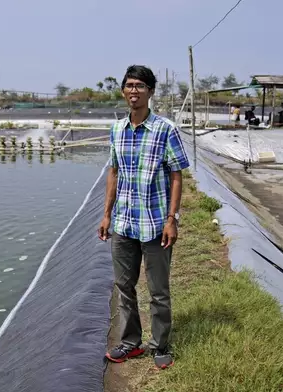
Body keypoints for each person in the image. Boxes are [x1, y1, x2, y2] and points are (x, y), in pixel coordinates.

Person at [99, 65, 190, 370]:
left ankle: (161, 344)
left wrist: (171, 219)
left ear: (151, 91)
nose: (133, 91)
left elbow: (177, 176)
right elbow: (114, 173)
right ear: (123, 91)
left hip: (154, 225)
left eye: (140, 85)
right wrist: (106, 215)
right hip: (124, 223)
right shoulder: (116, 130)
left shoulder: (165, 129)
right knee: (124, 288)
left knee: (158, 291)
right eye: (129, 85)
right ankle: (130, 342)